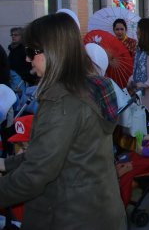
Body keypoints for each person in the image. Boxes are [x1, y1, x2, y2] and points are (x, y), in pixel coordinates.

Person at [0, 12, 126, 229]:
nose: (27, 58)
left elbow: (37, 173)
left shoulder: (62, 101)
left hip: (69, 217)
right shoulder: (88, 86)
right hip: (98, 211)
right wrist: (6, 163)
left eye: (32, 51)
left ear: (53, 51)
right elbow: (56, 152)